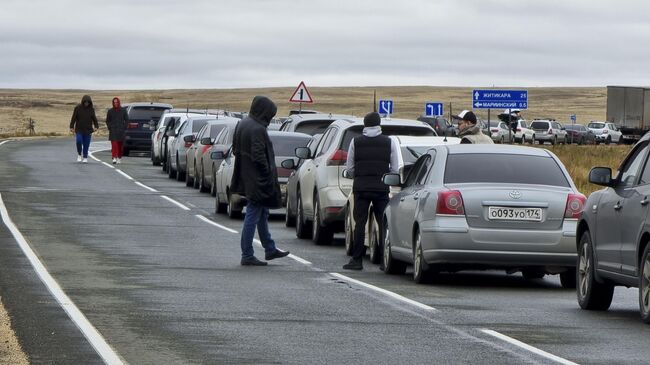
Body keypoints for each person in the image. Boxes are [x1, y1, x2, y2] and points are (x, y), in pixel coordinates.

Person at [231, 96, 290, 266]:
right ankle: (247, 254)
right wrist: (265, 173)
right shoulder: (257, 129)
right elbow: (258, 156)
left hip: (247, 177)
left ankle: (270, 248)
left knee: (262, 213)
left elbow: (235, 150)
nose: (270, 119)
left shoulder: (243, 123)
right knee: (253, 214)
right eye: (269, 115)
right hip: (258, 180)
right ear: (264, 112)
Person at [343, 112, 402, 271]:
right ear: (379, 124)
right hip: (381, 188)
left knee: (360, 223)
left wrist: (356, 175)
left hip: (361, 188)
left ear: (365, 124)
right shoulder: (389, 142)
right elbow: (395, 168)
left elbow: (349, 168)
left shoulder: (356, 142)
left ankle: (357, 260)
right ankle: (384, 261)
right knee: (383, 224)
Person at [69, 95, 99, 163]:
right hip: (79, 129)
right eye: (85, 102)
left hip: (88, 130)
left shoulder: (91, 109)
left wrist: (96, 126)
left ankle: (85, 157)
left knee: (86, 144)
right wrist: (71, 127)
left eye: (88, 102)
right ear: (83, 101)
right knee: (79, 141)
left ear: (90, 102)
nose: (86, 103)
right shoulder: (77, 108)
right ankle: (79, 154)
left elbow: (94, 119)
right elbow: (73, 118)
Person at [105, 97, 129, 164]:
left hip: (121, 131)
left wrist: (124, 127)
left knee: (120, 146)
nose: (115, 103)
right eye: (114, 102)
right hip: (113, 130)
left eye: (117, 102)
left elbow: (127, 120)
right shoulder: (110, 111)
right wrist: (110, 127)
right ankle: (114, 157)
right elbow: (107, 121)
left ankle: (119, 157)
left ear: (119, 102)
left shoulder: (123, 110)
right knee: (114, 144)